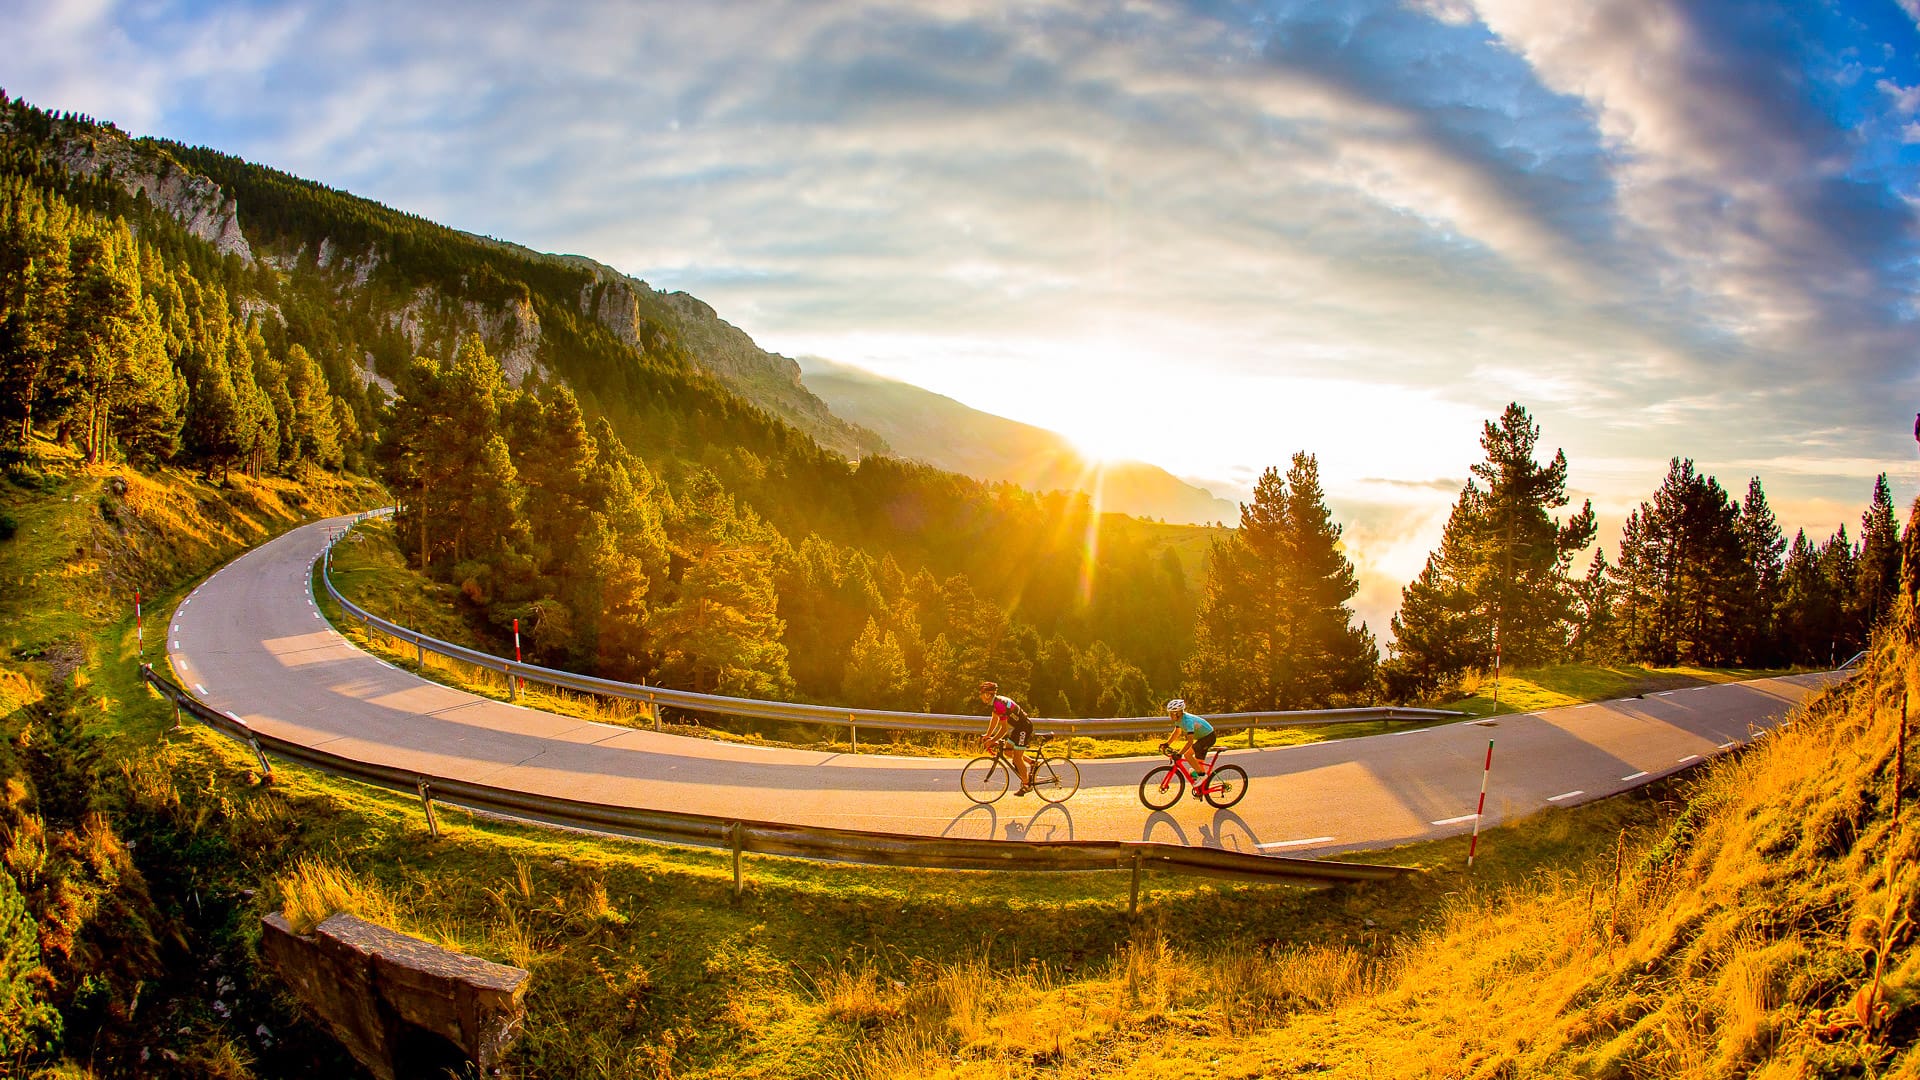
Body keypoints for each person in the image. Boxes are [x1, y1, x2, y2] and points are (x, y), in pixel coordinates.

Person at [978, 681, 1037, 795]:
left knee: (1017, 759)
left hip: (1024, 727)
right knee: (1008, 752)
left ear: (988, 694)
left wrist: (992, 741)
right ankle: (1032, 762)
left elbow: (1004, 729)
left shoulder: (999, 704)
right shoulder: (997, 702)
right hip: (1018, 727)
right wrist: (988, 735)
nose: (981, 696)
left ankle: (1026, 785)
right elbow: (994, 719)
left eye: (982, 694)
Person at [1164, 699, 1216, 798]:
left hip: (1208, 737)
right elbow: (1177, 733)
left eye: (1171, 713)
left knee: (1188, 755)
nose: (1170, 716)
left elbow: (1190, 742)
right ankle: (1201, 790)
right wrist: (1167, 743)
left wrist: (1180, 753)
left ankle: (1202, 776)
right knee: (1197, 764)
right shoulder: (1179, 720)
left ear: (1178, 713)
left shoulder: (1188, 721)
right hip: (1202, 738)